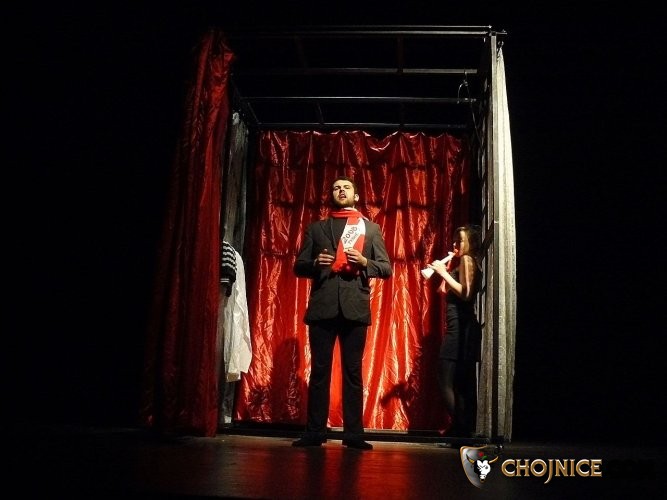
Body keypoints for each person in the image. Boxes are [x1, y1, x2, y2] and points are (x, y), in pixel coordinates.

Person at [292, 175, 392, 450]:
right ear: (331, 195)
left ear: (356, 196)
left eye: (346, 187)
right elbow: (298, 266)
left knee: (353, 373)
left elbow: (386, 268)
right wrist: (314, 263)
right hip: (323, 307)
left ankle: (354, 435)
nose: (341, 190)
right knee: (319, 372)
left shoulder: (370, 229)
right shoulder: (316, 228)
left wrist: (365, 261)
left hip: (354, 308)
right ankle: (315, 432)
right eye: (336, 187)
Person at [427, 224, 483, 438]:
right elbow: (443, 291)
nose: (455, 244)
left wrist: (443, 272)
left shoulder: (467, 260)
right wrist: (445, 269)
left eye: (460, 240)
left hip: (461, 328)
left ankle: (463, 427)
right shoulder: (461, 262)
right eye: (454, 240)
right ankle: (459, 428)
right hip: (458, 327)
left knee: (444, 378)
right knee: (457, 382)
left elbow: (466, 294)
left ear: (470, 243)